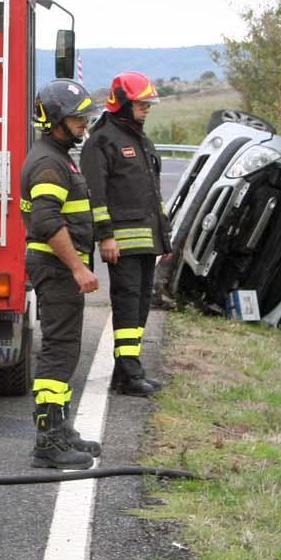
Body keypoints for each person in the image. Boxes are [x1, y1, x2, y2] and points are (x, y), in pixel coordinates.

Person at [21, 78, 104, 469]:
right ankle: (49, 442)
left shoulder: (59, 155)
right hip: (56, 269)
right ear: (55, 119)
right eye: (76, 117)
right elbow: (46, 221)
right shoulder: (49, 163)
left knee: (66, 348)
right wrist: (77, 266)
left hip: (58, 269)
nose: (84, 123)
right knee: (57, 351)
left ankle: (62, 429)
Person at [81, 71, 168, 397]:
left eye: (147, 104)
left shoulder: (139, 139)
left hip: (148, 240)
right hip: (123, 242)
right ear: (122, 103)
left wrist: (165, 238)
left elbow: (151, 194)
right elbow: (96, 195)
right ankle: (131, 376)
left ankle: (126, 370)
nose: (146, 109)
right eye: (140, 103)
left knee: (141, 305)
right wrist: (105, 236)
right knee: (128, 306)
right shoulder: (102, 141)